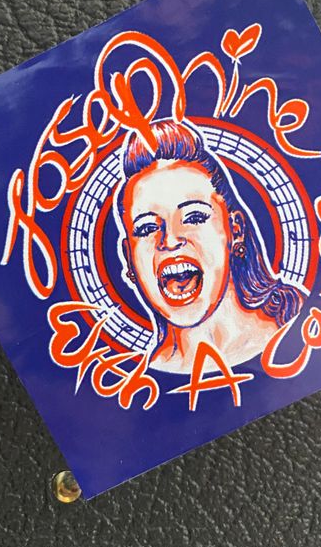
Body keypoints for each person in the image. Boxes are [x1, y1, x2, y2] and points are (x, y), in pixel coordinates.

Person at [113, 119, 305, 373]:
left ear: (235, 230)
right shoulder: (139, 376)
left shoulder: (302, 324)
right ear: (129, 259)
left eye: (194, 217)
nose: (169, 241)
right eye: (147, 228)